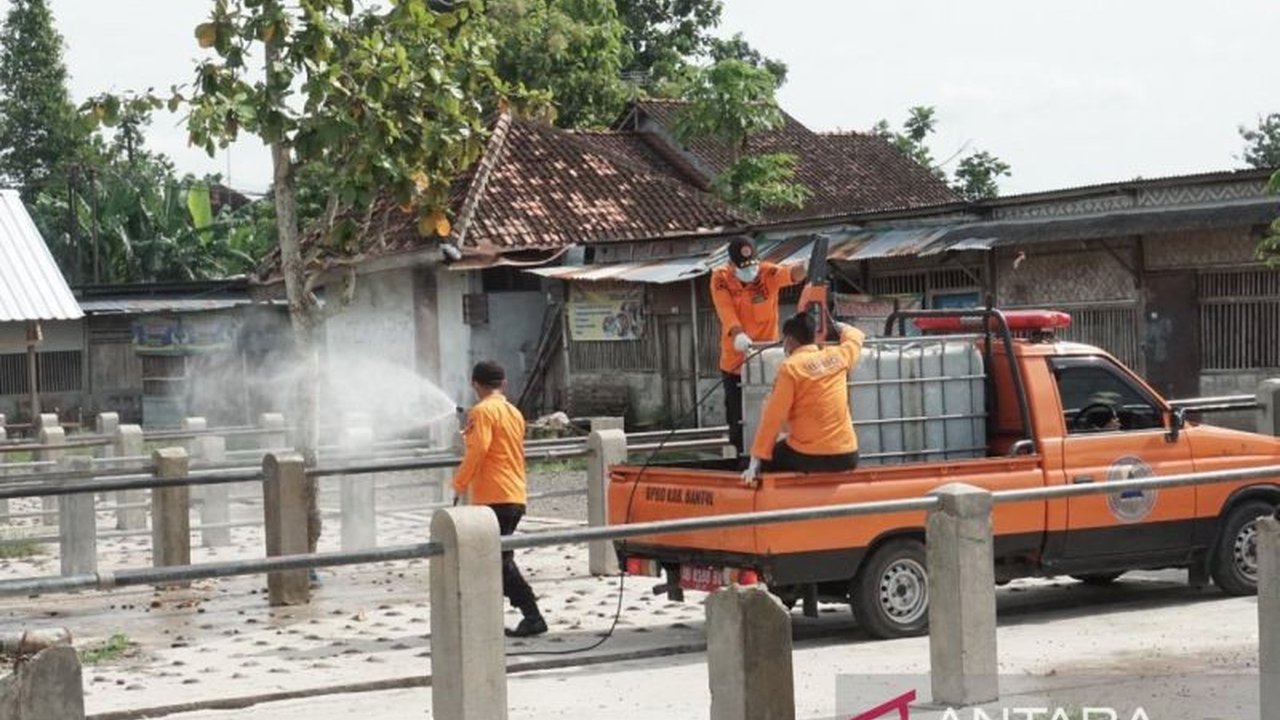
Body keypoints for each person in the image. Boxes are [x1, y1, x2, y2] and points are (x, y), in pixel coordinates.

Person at [452, 360, 547, 638]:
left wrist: (459, 482)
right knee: (495, 557)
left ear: (475, 385)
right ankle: (493, 614)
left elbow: (479, 449)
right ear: (503, 384)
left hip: (494, 495)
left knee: (496, 559)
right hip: (515, 492)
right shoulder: (513, 412)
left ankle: (532, 614)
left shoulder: (482, 412)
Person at [741, 312, 864, 485]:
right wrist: (838, 325)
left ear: (790, 340)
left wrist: (756, 458)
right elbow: (856, 337)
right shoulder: (838, 356)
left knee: (769, 460)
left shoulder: (791, 368)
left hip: (809, 456)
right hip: (847, 455)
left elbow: (774, 417)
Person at [710, 235, 806, 454]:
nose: (749, 272)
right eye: (743, 267)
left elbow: (790, 275)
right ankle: (742, 456)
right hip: (735, 361)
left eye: (752, 265)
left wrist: (806, 266)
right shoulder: (720, 278)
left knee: (771, 413)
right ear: (732, 264)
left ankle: (770, 456)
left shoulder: (766, 273)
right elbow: (725, 309)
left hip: (765, 362)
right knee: (737, 419)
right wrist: (737, 333)